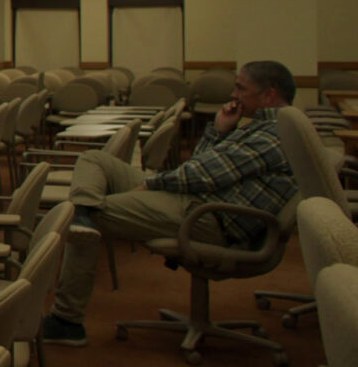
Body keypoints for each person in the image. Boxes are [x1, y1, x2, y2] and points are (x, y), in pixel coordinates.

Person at [42, 60, 298, 346]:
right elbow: (202, 164)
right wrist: (219, 130)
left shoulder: (273, 135)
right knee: (94, 160)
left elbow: (203, 174)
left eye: (241, 88)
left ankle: (67, 320)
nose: (234, 95)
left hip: (209, 217)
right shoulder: (262, 127)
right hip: (198, 201)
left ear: (269, 95)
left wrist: (150, 184)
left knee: (85, 215)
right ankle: (84, 214)